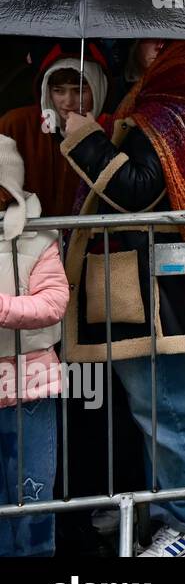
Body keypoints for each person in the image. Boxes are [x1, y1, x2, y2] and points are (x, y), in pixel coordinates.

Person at [59, 40, 185, 557]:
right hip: (148, 288)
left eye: (165, 47)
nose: (152, 53)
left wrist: (86, 140)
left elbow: (136, 190)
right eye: (149, 43)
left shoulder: (165, 120)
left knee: (166, 409)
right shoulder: (166, 116)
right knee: (168, 406)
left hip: (154, 294)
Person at [0, 134, 71, 557]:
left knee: (32, 494)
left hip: (31, 386)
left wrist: (3, 308)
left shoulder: (38, 239)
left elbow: (54, 301)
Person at [0, 42, 110, 219]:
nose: (68, 102)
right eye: (59, 91)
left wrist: (92, 141)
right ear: (46, 90)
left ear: (98, 87)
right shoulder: (15, 125)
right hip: (25, 241)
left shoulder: (113, 131)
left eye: (79, 91)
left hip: (91, 243)